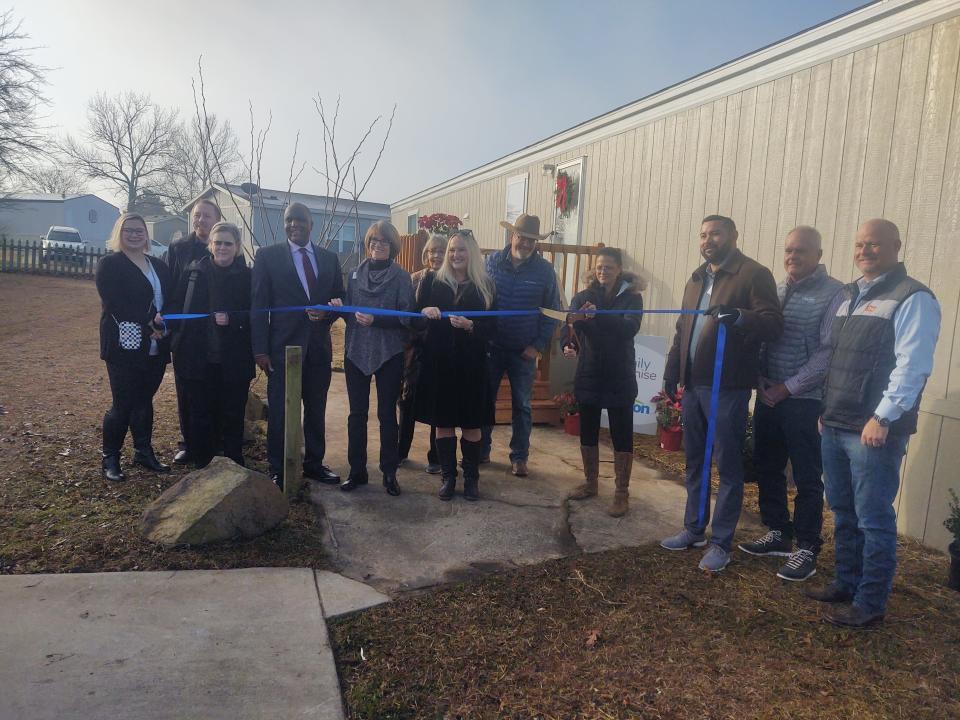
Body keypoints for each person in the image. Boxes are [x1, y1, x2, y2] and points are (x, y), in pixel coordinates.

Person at [806, 219, 940, 628]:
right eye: (860, 244)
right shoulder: (848, 295)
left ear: (896, 246)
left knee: (873, 518)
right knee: (843, 510)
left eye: (875, 245)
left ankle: (870, 602)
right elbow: (839, 360)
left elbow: (912, 366)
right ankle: (846, 582)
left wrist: (883, 417)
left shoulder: (912, 297)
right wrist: (825, 410)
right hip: (836, 422)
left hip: (872, 430)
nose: (865, 251)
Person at [659, 215, 783, 573]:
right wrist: (671, 371)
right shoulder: (696, 278)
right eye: (703, 234)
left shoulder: (752, 273)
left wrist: (740, 316)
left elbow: (773, 324)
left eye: (715, 233)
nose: (708, 239)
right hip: (694, 384)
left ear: (733, 235)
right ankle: (694, 529)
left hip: (727, 386)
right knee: (694, 460)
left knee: (727, 466)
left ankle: (721, 543)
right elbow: (684, 327)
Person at [737, 226, 844, 581]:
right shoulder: (778, 289)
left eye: (801, 251)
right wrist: (760, 378)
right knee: (768, 466)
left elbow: (829, 353)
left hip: (805, 401)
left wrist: (788, 387)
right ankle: (779, 533)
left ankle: (808, 547)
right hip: (768, 395)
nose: (792, 257)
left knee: (806, 476)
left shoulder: (834, 294)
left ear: (818, 255)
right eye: (788, 250)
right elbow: (764, 337)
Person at [251, 202, 344, 490]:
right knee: (280, 412)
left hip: (318, 349)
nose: (294, 225)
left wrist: (328, 312)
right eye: (289, 220)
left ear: (310, 224)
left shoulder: (329, 259)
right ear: (284, 223)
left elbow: (340, 300)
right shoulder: (267, 257)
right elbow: (258, 305)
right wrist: (260, 350)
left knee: (316, 409)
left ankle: (314, 464)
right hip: (281, 350)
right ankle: (278, 468)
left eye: (300, 220)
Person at [561, 247, 644, 517]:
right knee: (587, 430)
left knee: (622, 432)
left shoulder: (632, 298)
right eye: (599, 267)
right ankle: (590, 483)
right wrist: (568, 343)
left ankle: (622, 493)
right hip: (590, 372)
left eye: (608, 267)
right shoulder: (583, 296)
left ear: (619, 269)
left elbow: (629, 328)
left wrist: (601, 317)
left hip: (619, 373)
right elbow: (570, 325)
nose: (603, 271)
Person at [415, 229, 497, 501]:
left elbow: (495, 329)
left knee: (473, 424)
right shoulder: (432, 281)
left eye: (461, 250)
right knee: (444, 422)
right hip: (441, 364)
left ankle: (471, 478)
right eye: (452, 250)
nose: (455, 255)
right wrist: (425, 312)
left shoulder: (486, 285)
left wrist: (472, 326)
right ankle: (448, 477)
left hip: (472, 366)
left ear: (471, 253)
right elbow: (414, 319)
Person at [481, 214, 561, 477]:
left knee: (523, 406)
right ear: (512, 236)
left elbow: (552, 312)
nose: (525, 244)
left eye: (531, 240)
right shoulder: (491, 263)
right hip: (492, 347)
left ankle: (519, 457)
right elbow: (478, 297)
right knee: (484, 401)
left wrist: (537, 346)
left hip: (524, 351)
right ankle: (481, 450)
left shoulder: (545, 271)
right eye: (521, 237)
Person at [169, 222, 254, 468]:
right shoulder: (193, 272)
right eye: (218, 242)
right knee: (201, 413)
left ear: (237, 247)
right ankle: (203, 463)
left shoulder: (248, 278)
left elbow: (257, 314)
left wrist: (233, 319)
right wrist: (164, 320)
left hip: (234, 359)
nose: (223, 247)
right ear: (210, 245)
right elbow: (176, 305)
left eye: (228, 243)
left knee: (232, 413)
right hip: (197, 358)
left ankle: (234, 461)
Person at [95, 212, 172, 481]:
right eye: (129, 230)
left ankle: (143, 451)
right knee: (123, 402)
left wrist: (162, 327)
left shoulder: (158, 266)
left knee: (144, 401)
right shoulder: (110, 264)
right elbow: (114, 301)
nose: (135, 234)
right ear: (119, 232)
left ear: (146, 235)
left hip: (156, 344)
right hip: (124, 344)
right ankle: (110, 457)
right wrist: (148, 321)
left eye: (139, 230)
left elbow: (168, 300)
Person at [340, 221, 415, 496]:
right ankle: (356, 471)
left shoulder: (401, 277)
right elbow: (348, 312)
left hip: (389, 353)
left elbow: (408, 317)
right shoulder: (355, 275)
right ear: (367, 245)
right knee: (356, 415)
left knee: (386, 415)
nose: (378, 246)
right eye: (373, 241)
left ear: (392, 246)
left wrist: (378, 319)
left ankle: (389, 472)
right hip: (356, 351)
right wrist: (337, 307)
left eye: (384, 242)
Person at [163, 198, 222, 465]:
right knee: (186, 390)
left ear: (217, 218)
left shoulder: (225, 245)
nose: (201, 221)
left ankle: (212, 443)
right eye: (197, 216)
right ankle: (188, 443)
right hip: (186, 332)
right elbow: (168, 287)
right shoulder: (178, 249)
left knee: (212, 389)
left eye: (206, 216)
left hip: (216, 331)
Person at [398, 233, 446, 474]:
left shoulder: (452, 280)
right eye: (431, 251)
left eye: (440, 251)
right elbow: (407, 314)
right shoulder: (414, 279)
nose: (435, 256)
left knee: (437, 404)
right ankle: (400, 452)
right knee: (407, 402)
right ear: (425, 254)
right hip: (415, 350)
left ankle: (435, 457)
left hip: (441, 350)